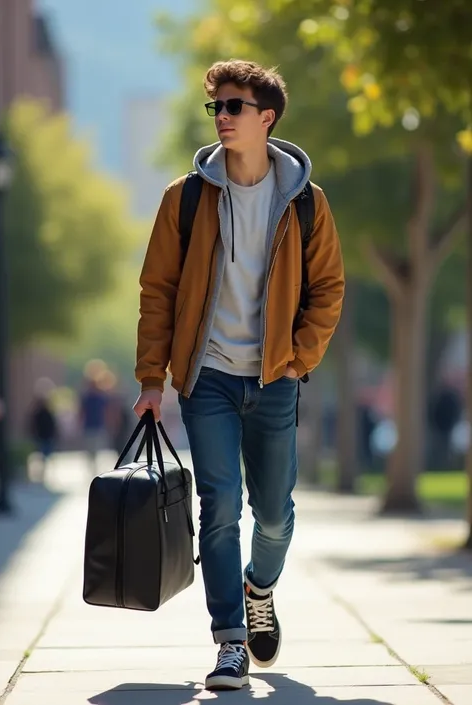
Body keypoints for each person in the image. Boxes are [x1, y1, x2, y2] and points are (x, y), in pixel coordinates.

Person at [133, 60, 344, 691]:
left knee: (275, 514)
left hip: (276, 377)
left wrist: (299, 357)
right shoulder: (187, 198)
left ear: (266, 117)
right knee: (220, 504)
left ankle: (260, 588)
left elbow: (328, 288)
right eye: (216, 108)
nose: (222, 117)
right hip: (210, 379)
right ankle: (230, 641)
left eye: (233, 107)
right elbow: (157, 290)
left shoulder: (305, 201)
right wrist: (152, 378)